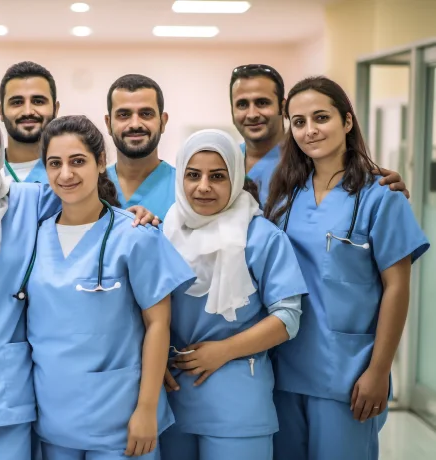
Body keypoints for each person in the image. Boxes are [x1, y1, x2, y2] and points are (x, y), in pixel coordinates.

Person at [263, 76, 430, 460]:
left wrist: (379, 370)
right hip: (283, 368)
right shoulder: (284, 197)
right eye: (299, 122)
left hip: (348, 373)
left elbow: (397, 289)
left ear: (348, 122)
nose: (309, 130)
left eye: (321, 117)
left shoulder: (380, 197)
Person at [25, 115, 196, 459]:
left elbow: (158, 324)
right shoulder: (32, 236)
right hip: (53, 415)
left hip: (122, 419)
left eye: (78, 161)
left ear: (101, 162)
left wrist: (147, 409)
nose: (66, 174)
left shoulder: (134, 234)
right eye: (54, 163)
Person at [158, 129, 307, 460]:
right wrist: (154, 362)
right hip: (171, 397)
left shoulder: (261, 238)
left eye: (218, 176)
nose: (204, 186)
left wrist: (223, 351)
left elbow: (288, 318)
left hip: (238, 400)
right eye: (193, 175)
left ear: (236, 178)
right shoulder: (163, 235)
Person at [229, 63, 410, 205]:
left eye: (262, 103)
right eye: (242, 104)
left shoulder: (309, 160)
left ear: (283, 107)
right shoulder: (224, 161)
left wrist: (384, 195)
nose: (252, 114)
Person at [104, 74, 176, 221]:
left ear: (163, 122)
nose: (135, 124)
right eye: (124, 115)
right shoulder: (93, 186)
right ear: (108, 123)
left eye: (146, 114)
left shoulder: (185, 188)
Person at [0, 61, 59, 183]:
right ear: (1, 111)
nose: (28, 111)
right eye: (17, 102)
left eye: (38, 101)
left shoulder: (71, 174)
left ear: (56, 109)